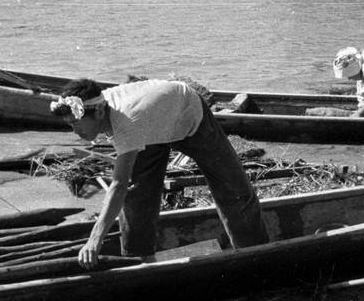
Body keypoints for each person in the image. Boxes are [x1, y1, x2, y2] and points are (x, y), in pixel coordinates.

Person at [50, 77, 270, 268]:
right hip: (149, 127)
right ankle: (139, 261)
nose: (75, 130)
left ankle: (254, 256)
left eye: (75, 123)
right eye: (69, 124)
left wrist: (95, 238)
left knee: (234, 189)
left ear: (99, 112)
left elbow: (117, 185)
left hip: (187, 115)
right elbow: (125, 188)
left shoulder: (126, 122)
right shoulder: (100, 105)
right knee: (137, 194)